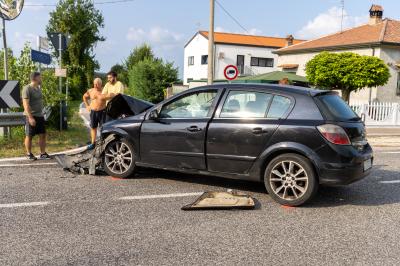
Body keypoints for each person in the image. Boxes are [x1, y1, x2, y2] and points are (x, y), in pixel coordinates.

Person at [22, 72, 51, 160]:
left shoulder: (38, 88)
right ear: (35, 78)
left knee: (42, 134)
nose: (41, 79)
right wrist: (30, 117)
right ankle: (29, 154)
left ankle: (42, 153)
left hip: (40, 115)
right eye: (40, 77)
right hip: (31, 116)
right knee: (29, 135)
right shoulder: (27, 88)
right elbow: (25, 104)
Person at [83, 78, 109, 150]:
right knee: (93, 127)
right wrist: (87, 105)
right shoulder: (91, 91)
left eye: (97, 84)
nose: (96, 85)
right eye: (94, 84)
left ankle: (103, 143)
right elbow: (84, 97)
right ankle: (93, 143)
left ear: (101, 84)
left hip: (102, 111)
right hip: (93, 112)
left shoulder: (104, 91)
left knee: (103, 128)